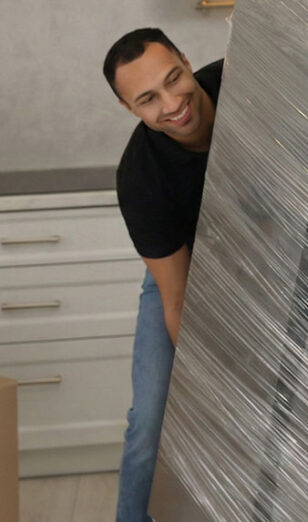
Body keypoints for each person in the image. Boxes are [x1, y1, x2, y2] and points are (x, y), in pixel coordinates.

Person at [102, 28, 223, 522]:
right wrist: (206, 385)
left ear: (188, 61)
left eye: (175, 79)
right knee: (151, 421)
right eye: (149, 99)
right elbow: (175, 298)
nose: (173, 104)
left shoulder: (249, 85)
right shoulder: (140, 180)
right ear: (132, 109)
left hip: (274, 258)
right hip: (186, 273)